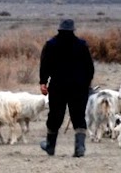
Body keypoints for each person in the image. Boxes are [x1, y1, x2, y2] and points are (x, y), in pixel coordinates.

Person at [38, 17, 95, 157]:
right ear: (73, 30)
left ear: (59, 29)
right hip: (79, 87)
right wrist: (87, 84)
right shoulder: (82, 45)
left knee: (55, 116)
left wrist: (43, 82)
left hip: (58, 86)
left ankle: (50, 146)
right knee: (79, 116)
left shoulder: (51, 44)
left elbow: (44, 65)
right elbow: (90, 68)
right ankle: (79, 148)